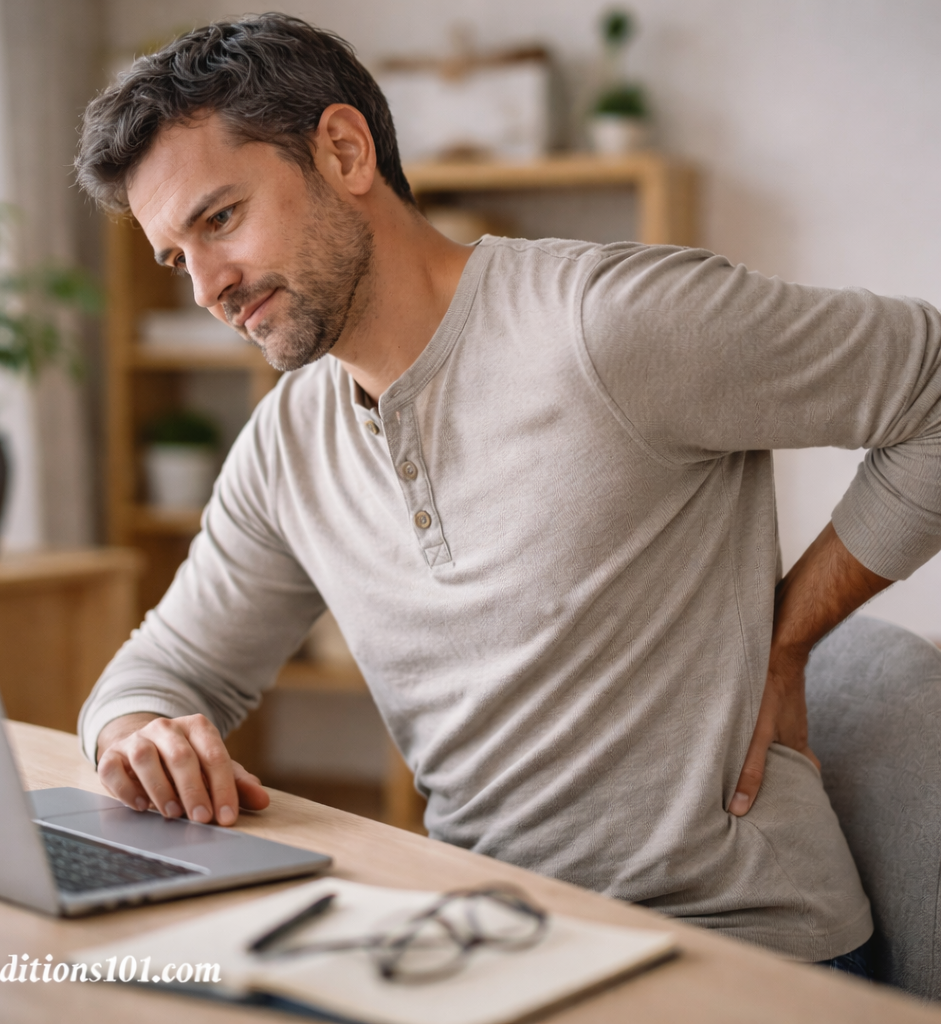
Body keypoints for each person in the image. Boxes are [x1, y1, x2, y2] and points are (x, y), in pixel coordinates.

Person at [74, 14, 941, 971]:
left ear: (344, 150)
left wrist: (787, 637)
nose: (207, 288)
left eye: (220, 219)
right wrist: (135, 733)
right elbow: (158, 670)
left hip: (740, 951)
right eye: (174, 257)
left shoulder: (604, 326)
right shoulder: (287, 443)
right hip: (498, 944)